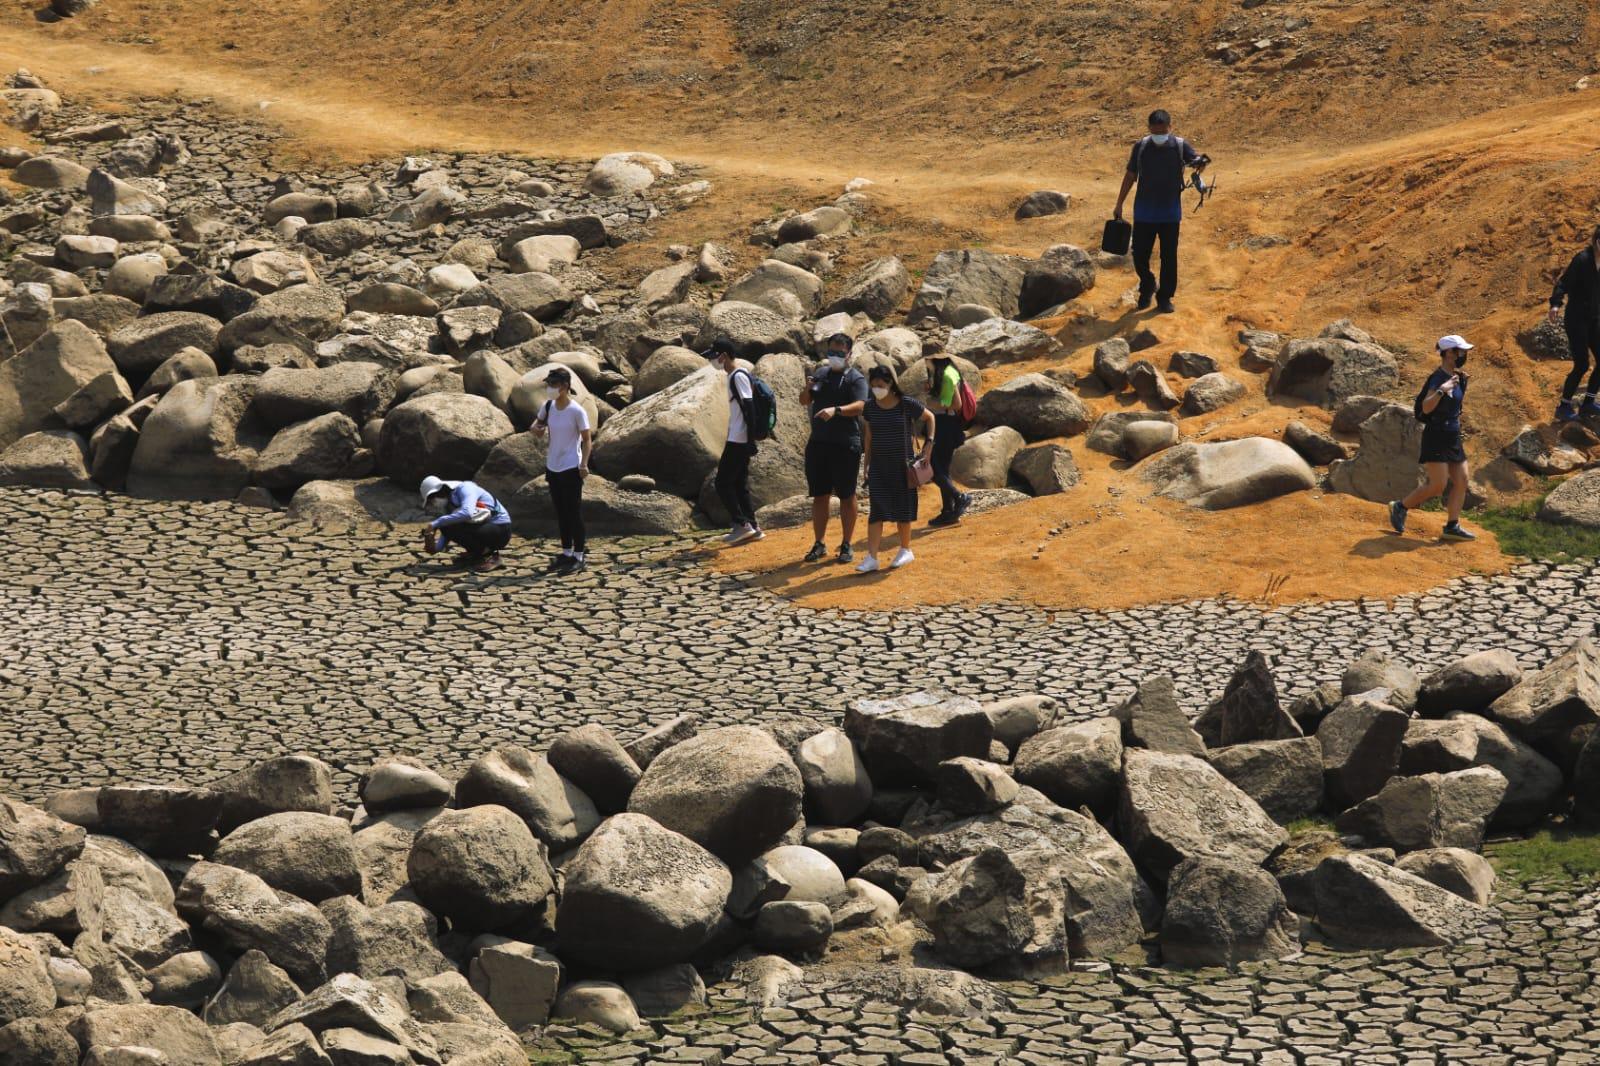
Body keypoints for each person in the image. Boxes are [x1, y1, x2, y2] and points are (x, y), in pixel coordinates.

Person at [1113, 108, 1208, 314]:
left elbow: (1196, 161)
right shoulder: (1141, 147)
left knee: (1169, 257)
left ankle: (1164, 297)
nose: (1159, 136)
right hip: (1144, 213)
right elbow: (1130, 175)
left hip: (1170, 214)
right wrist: (1119, 203)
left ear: (1170, 128)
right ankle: (1147, 285)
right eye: (1155, 132)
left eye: (1162, 131)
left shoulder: (1180, 146)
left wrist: (1201, 164)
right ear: (1149, 129)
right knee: (1139, 256)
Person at [1387, 335, 1477, 542]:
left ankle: (1452, 526)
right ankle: (1400, 507)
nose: (1463, 355)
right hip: (1436, 435)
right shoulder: (1438, 379)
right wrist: (1441, 391)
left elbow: (1455, 406)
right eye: (1459, 351)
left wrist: (1461, 384)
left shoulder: (1458, 376)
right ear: (1448, 353)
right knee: (1438, 486)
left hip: (1452, 435)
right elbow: (1427, 407)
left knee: (1462, 480)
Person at [858, 365, 936, 573]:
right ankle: (872, 557)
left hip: (903, 466)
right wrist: (866, 464)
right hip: (879, 467)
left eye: (880, 385)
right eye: (873, 385)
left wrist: (929, 442)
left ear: (891, 384)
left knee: (903, 510)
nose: (876, 389)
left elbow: (930, 418)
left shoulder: (906, 404)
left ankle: (905, 549)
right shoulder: (870, 407)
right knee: (876, 512)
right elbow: (868, 437)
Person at [799, 332, 868, 563]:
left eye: (839, 352)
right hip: (819, 444)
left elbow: (860, 406)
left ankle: (847, 544)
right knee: (820, 495)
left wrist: (836, 410)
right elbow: (804, 401)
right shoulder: (821, 374)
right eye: (831, 352)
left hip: (845, 444)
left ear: (849, 354)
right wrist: (808, 388)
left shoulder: (855, 379)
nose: (835, 356)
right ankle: (819, 543)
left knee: (847, 496)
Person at [530, 366, 592, 574]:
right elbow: (537, 424)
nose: (550, 388)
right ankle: (566, 552)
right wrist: (535, 429)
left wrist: (583, 464)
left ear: (565, 386)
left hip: (570, 466)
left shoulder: (576, 411)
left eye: (554, 385)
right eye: (549, 384)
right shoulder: (548, 406)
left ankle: (579, 555)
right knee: (561, 512)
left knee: (573, 512)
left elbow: (587, 440)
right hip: (553, 466)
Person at [706, 340, 764, 545]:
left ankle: (742, 524)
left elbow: (749, 407)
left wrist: (749, 441)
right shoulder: (734, 375)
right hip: (739, 437)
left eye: (714, 356)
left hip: (739, 439)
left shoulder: (738, 376)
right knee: (739, 483)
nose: (712, 360)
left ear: (724, 355)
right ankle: (753, 526)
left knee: (722, 482)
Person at [1547, 225, 1600, 422]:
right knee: (1582, 364)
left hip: (1594, 317)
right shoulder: (1582, 260)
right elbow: (1563, 283)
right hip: (1576, 318)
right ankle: (1564, 406)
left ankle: (1588, 403)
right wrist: (1555, 305)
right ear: (1598, 242)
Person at [922, 339, 972, 527]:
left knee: (934, 468)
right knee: (942, 468)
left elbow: (956, 404)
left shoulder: (947, 376)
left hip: (944, 425)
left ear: (931, 359)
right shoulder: (947, 372)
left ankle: (960, 498)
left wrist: (931, 403)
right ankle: (948, 511)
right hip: (948, 425)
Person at [419, 475, 512, 572]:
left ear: (438, 491)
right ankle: (477, 554)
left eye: (432, 499)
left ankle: (490, 556)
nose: (434, 503)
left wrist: (436, 523)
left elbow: (467, 513)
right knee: (446, 526)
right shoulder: (450, 505)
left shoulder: (465, 488)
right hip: (486, 529)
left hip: (501, 530)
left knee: (445, 525)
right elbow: (446, 535)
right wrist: (430, 541)